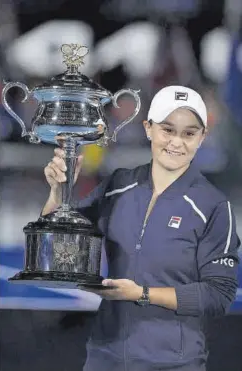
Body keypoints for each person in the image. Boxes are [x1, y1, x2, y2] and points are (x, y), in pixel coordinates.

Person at [42, 86, 240, 371]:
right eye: (167, 130)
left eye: (189, 133)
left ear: (202, 138)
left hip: (173, 364)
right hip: (104, 359)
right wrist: (58, 193)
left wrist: (141, 294)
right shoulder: (117, 186)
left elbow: (219, 295)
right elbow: (56, 251)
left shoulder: (214, 206)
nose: (176, 142)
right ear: (148, 128)